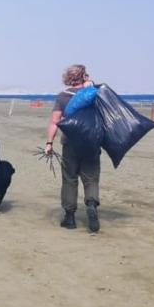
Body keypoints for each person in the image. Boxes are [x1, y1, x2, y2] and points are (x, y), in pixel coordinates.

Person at [43, 64, 102, 232]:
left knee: (70, 179)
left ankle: (69, 218)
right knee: (91, 178)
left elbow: (55, 122)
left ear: (68, 78)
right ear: (84, 76)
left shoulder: (63, 96)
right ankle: (91, 204)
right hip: (91, 143)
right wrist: (91, 84)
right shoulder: (94, 93)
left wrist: (49, 143)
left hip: (70, 143)